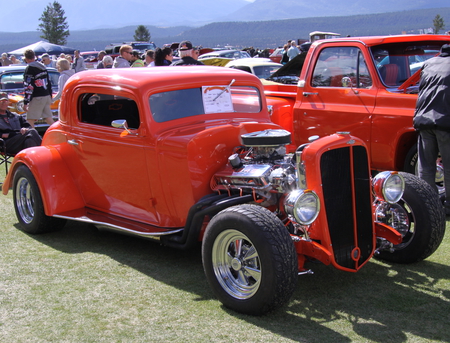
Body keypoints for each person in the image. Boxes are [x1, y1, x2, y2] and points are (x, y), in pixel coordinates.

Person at [413, 43, 450, 214]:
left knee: (426, 166)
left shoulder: (428, 64)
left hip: (424, 120)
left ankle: (427, 206)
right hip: (445, 121)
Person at [22, 49, 54, 128]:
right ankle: (60, 134)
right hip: (46, 94)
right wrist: (50, 95)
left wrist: (26, 102)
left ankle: (33, 138)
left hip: (37, 96)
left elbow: (29, 86)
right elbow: (48, 82)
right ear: (34, 57)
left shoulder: (30, 68)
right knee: (48, 118)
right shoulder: (43, 67)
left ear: (26, 58)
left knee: (30, 119)